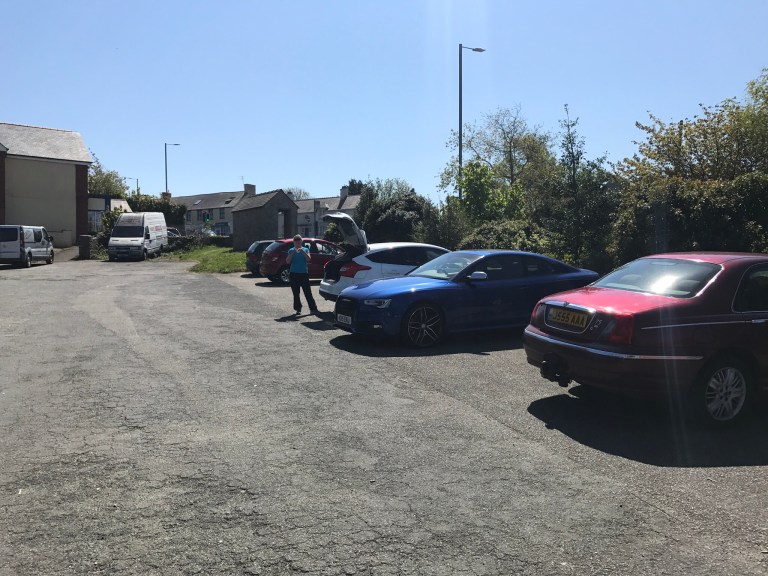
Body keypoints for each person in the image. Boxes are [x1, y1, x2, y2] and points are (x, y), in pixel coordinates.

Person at [286, 234, 318, 315]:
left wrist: (303, 252)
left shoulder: (306, 249)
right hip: (294, 274)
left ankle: (313, 308)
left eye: (299, 243)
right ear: (294, 243)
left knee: (308, 292)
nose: (298, 244)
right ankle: (298, 309)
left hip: (304, 274)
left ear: (301, 242)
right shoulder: (291, 250)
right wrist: (293, 252)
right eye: (296, 243)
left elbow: (308, 259)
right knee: (296, 293)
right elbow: (288, 261)